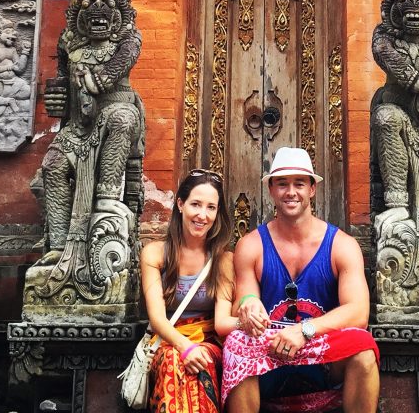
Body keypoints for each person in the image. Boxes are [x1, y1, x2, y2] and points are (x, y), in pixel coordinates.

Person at [222, 148, 380, 413]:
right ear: (271, 190)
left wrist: (304, 331)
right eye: (282, 184)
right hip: (270, 352)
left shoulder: (341, 245)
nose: (291, 192)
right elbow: (244, 297)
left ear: (312, 189)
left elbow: (358, 312)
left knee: (363, 348)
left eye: (299, 184)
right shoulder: (251, 245)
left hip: (322, 354)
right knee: (236, 343)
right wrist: (249, 305)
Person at [141, 169, 238, 413]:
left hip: (208, 341)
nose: (202, 215)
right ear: (181, 204)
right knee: (174, 360)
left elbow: (222, 321)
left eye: (211, 208)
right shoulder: (155, 254)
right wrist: (185, 346)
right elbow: (157, 318)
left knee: (199, 360)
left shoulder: (224, 260)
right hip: (167, 339)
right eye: (196, 204)